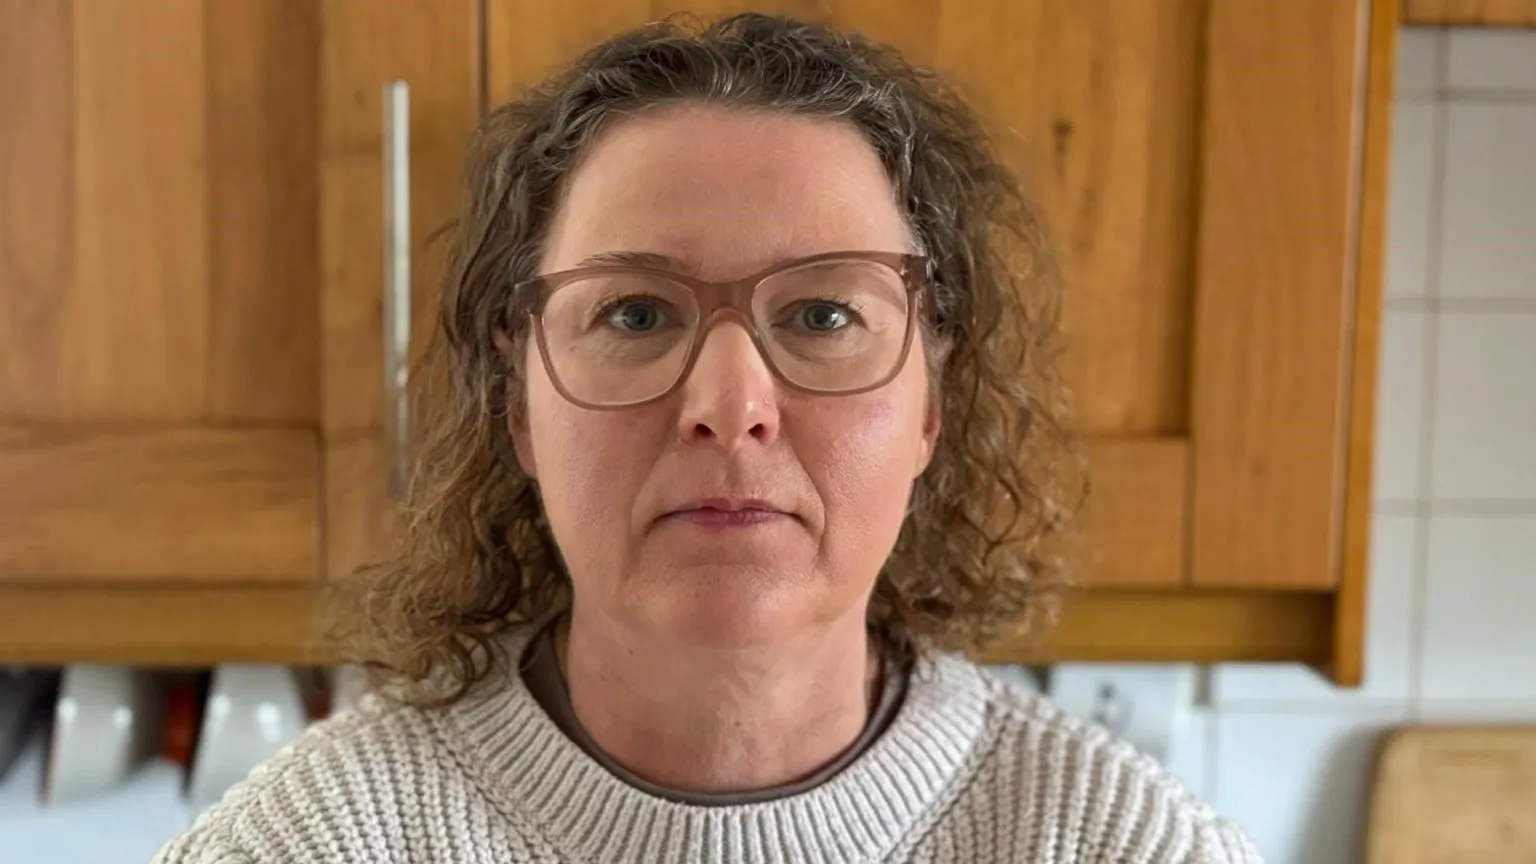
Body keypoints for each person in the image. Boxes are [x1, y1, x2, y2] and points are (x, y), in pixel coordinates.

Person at [157, 12, 1259, 863]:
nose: (731, 405)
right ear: (516, 401)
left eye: (825, 315)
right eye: (634, 314)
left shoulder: (1118, 845)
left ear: (933, 400)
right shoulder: (315, 844)